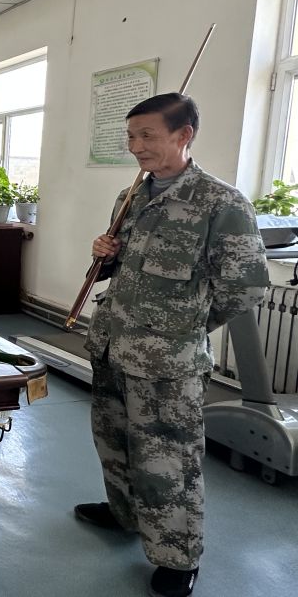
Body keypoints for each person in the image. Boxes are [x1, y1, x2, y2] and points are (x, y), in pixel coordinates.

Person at [75, 94, 269, 597]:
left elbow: (245, 287)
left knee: (168, 461)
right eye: (131, 136)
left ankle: (177, 557)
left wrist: (184, 326)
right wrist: (105, 255)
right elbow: (123, 269)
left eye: (148, 136)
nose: (136, 146)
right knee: (113, 441)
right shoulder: (130, 196)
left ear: (184, 135)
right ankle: (124, 513)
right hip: (112, 345)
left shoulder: (221, 204)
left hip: (167, 362)